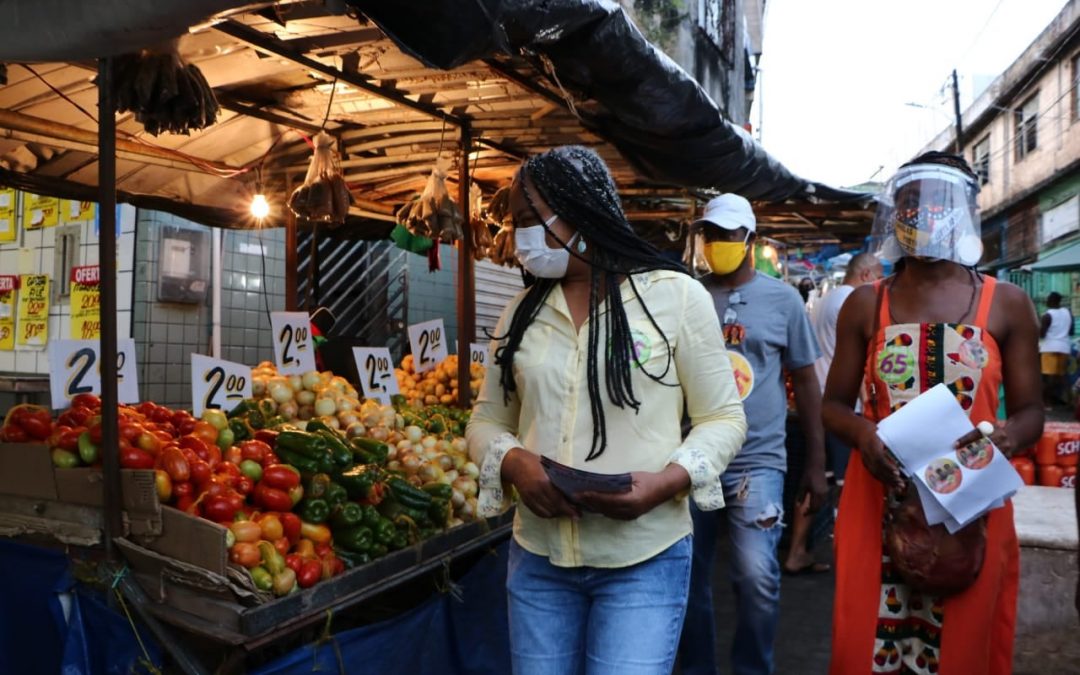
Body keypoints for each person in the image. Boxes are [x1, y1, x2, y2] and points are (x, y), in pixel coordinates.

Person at [466, 146, 748, 675]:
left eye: (530, 222)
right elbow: (487, 421)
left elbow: (723, 418)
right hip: (539, 559)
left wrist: (666, 482)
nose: (519, 237)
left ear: (580, 211)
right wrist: (514, 464)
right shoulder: (519, 314)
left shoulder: (675, 297)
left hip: (644, 560)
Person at [823, 151, 1043, 674]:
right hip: (878, 497)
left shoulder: (1007, 303)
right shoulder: (864, 303)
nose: (922, 213)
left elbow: (1032, 410)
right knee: (866, 645)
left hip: (971, 504)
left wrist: (1006, 441)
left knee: (961, 646)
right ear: (894, 212)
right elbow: (832, 405)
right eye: (908, 202)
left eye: (936, 202)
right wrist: (863, 434)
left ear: (964, 210)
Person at [677, 194, 827, 675]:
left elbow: (805, 379)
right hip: (692, 458)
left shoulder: (783, 299)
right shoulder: (687, 294)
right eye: (711, 235)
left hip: (757, 460)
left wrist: (815, 463)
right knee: (688, 578)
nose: (718, 243)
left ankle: (751, 669)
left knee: (757, 577)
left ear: (751, 241)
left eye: (727, 235)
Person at [783, 252, 883, 575]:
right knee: (843, 485)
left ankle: (798, 551)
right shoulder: (851, 302)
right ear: (867, 274)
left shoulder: (827, 300)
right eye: (879, 277)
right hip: (841, 406)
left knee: (817, 479)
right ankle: (848, 556)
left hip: (820, 401)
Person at [1039, 291, 1073, 407]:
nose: (1046, 301)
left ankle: (1047, 402)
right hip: (1064, 347)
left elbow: (1042, 334)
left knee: (1048, 377)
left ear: (1052, 301)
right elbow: (1071, 331)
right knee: (1063, 376)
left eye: (1048, 299)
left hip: (1049, 347)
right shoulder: (1067, 313)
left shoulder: (1047, 315)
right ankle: (1070, 401)